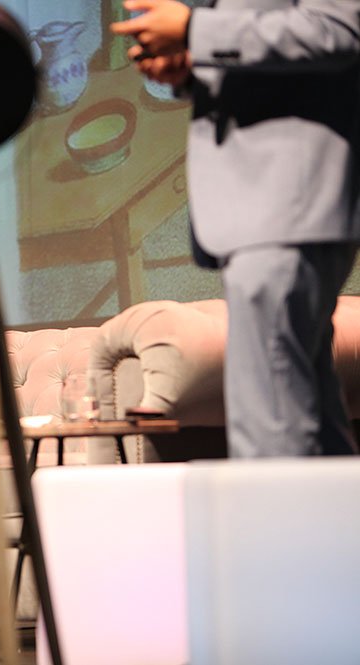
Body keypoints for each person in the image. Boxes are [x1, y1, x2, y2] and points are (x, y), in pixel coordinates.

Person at [111, 0, 360, 458]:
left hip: (288, 196)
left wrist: (196, 29)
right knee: (308, 414)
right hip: (269, 204)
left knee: (271, 420)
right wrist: (190, 66)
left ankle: (279, 510)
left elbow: (337, 29)